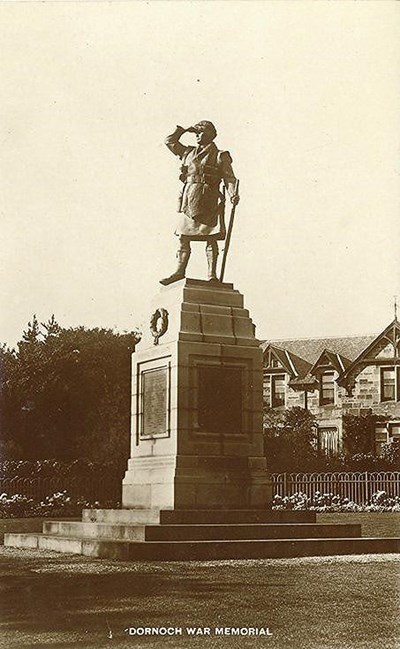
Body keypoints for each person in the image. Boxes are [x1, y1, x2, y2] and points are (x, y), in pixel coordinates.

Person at [160, 121, 240, 285]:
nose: (197, 136)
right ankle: (179, 271)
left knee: (211, 237)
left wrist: (233, 193)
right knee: (183, 237)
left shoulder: (220, 155)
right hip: (189, 199)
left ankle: (212, 274)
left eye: (201, 132)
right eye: (195, 133)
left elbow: (229, 178)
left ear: (211, 134)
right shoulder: (187, 152)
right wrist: (182, 130)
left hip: (209, 198)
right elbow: (169, 141)